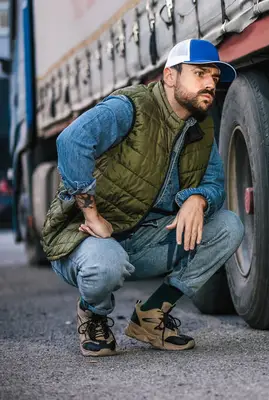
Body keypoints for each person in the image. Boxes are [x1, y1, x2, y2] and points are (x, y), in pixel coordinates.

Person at [41, 39, 244, 357]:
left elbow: (215, 182)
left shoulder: (201, 128)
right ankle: (93, 313)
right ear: (170, 77)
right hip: (86, 238)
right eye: (200, 73)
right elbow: (73, 140)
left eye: (215, 78)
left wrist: (198, 199)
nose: (209, 84)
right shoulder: (131, 107)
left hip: (145, 237)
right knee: (106, 264)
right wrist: (91, 213)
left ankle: (151, 315)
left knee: (229, 226)